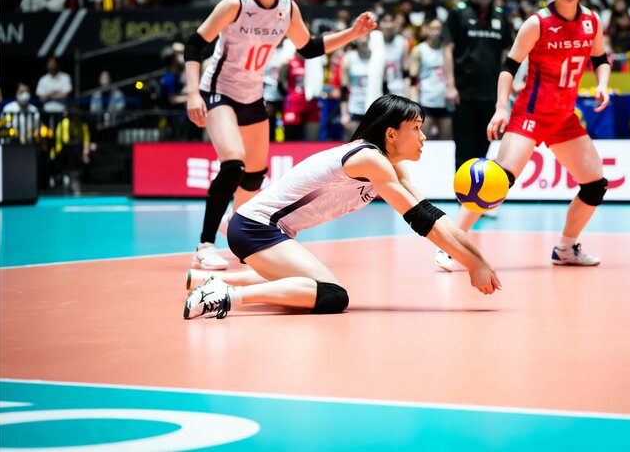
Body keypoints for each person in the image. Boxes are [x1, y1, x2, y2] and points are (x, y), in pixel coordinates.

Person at [183, 95, 501, 319]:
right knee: (332, 294)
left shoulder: (390, 167)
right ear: (391, 134)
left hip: (268, 231)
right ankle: (225, 297)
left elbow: (433, 216)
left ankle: (211, 283)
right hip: (256, 228)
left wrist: (478, 260)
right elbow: (419, 220)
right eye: (416, 128)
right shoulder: (369, 159)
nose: (423, 137)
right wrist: (472, 265)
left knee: (307, 284)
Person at [184, 0, 377, 270]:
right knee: (234, 165)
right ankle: (204, 246)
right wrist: (192, 94)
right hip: (219, 92)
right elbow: (194, 43)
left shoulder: (287, 8)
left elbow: (310, 47)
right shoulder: (236, 3)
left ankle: (234, 225)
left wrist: (352, 33)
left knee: (256, 175)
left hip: (253, 95)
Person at [435, 0, 612, 271]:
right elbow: (509, 66)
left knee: (595, 184)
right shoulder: (537, 23)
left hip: (564, 118)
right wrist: (501, 108)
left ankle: (566, 247)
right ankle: (451, 246)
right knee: (496, 181)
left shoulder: (592, 22)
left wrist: (603, 84)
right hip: (530, 114)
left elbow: (600, 58)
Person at [442, 0, 513, 172]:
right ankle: (462, 198)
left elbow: (507, 56)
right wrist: (450, 86)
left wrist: (508, 87)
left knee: (484, 149)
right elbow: (448, 49)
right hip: (463, 94)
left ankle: (478, 197)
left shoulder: (500, 16)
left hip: (491, 95)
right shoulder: (458, 13)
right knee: (464, 149)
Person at [409, 18, 451, 140]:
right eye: (433, 28)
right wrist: (413, 101)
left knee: (446, 141)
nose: (437, 32)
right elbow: (413, 79)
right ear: (427, 30)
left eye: (439, 29)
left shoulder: (447, 50)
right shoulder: (419, 50)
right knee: (424, 141)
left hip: (445, 102)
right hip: (426, 101)